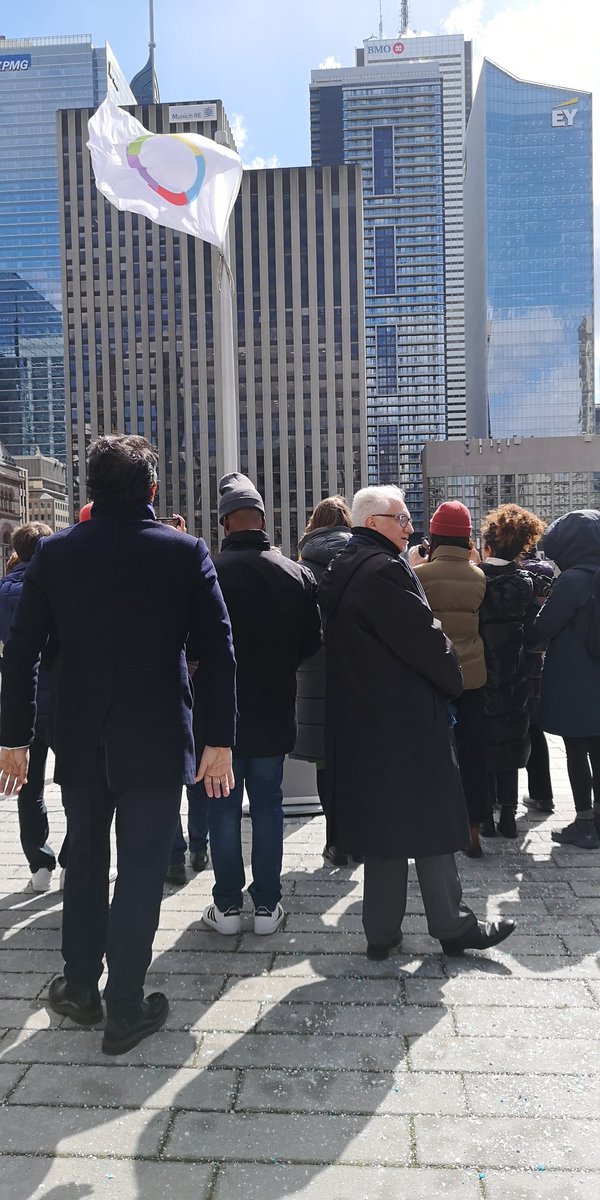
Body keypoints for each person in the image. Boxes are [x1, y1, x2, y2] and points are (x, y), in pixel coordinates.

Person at [0, 434, 236, 1055]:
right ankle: (125, 1006)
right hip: (157, 737)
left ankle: (80, 988)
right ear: (152, 490)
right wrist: (220, 741)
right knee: (139, 872)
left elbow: (20, 653)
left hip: (78, 735)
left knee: (84, 861)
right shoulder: (185, 552)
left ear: (88, 489)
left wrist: (15, 739)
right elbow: (219, 652)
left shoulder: (52, 555)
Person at [319, 484, 515, 960]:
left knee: (385, 827)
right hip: (404, 717)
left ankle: (381, 933)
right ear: (372, 524)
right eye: (401, 519)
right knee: (432, 819)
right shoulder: (384, 570)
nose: (410, 527)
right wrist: (453, 675)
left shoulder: (345, 567)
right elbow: (427, 642)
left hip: (365, 719)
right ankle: (452, 925)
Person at [202, 472, 321, 937]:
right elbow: (312, 644)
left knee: (223, 809)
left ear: (225, 521)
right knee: (269, 806)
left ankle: (227, 908)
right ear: (263, 519)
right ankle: (268, 907)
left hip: (219, 714)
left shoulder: (209, 570)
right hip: (274, 705)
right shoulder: (295, 573)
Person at [412, 501, 488, 857]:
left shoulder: (420, 576)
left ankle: (433, 826)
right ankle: (474, 831)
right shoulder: (479, 576)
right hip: (472, 675)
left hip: (433, 677)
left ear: (436, 534)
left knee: (432, 754)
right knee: (473, 753)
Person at [0, 521, 68, 891]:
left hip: (22, 704)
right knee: (77, 783)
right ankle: (74, 860)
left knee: (28, 787)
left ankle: (39, 865)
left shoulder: (2, 591)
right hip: (62, 700)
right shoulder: (61, 590)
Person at [528, 509, 600, 849]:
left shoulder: (573, 580)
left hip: (575, 677)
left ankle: (583, 823)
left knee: (575, 750)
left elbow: (545, 627)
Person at [291, 495, 353, 866]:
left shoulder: (302, 568)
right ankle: (358, 836)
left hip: (315, 672)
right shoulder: (363, 557)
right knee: (356, 758)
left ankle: (335, 841)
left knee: (324, 762)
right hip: (359, 670)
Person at [478, 503, 544, 839]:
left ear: (487, 545)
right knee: (511, 741)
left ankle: (486, 817)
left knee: (484, 741)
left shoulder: (477, 580)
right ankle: (508, 815)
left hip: (482, 671)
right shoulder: (526, 583)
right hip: (517, 672)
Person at [520, 549, 554, 815]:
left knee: (503, 722)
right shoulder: (545, 573)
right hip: (537, 658)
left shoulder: (515, 575)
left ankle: (498, 795)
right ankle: (543, 794)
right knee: (535, 726)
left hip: (511, 657)